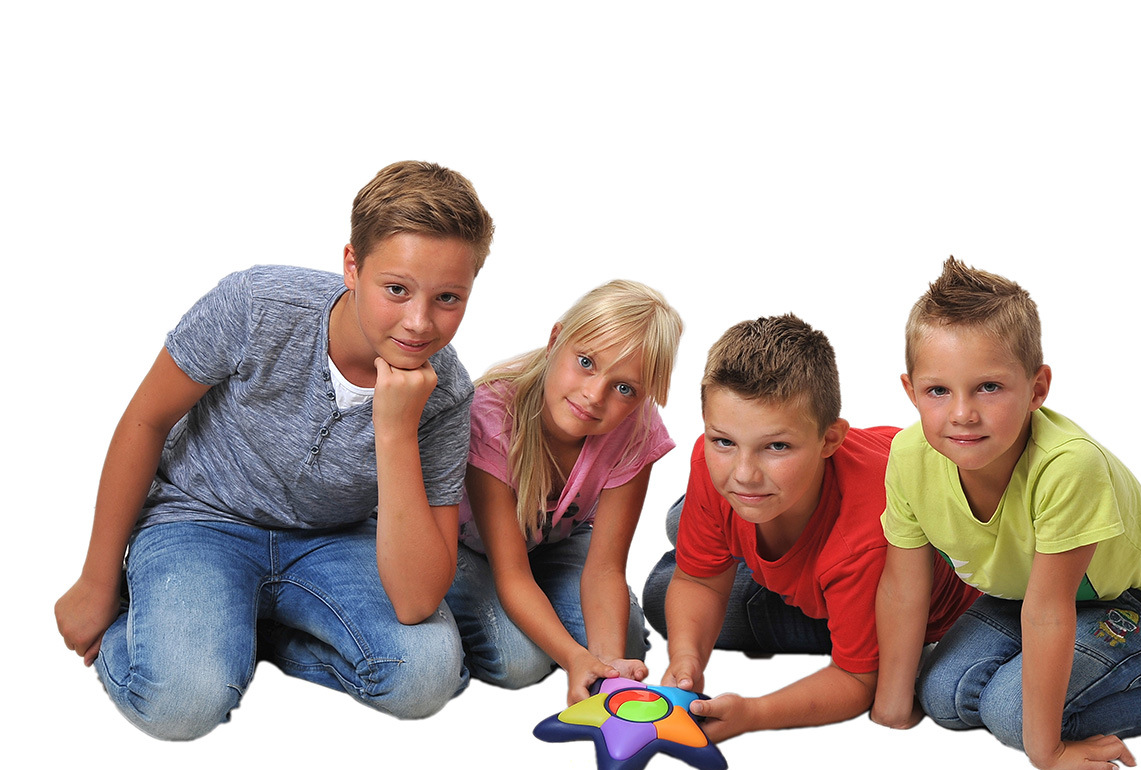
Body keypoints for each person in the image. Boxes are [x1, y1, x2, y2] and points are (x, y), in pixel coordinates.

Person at [54, 161, 494, 740]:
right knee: (180, 705)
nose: (419, 322)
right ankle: (170, 628)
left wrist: (394, 431)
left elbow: (415, 601)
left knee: (426, 676)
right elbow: (146, 420)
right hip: (200, 519)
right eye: (396, 289)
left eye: (448, 298)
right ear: (352, 266)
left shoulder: (446, 393)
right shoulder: (258, 305)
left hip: (334, 537)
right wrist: (96, 579)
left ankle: (252, 636)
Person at [872, 257, 1141, 770]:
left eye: (989, 387)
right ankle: (1049, 689)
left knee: (1014, 717)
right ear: (911, 392)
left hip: (1140, 602)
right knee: (940, 697)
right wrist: (891, 705)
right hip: (1022, 595)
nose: (962, 414)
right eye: (938, 391)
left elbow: (1049, 611)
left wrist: (1048, 751)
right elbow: (903, 588)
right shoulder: (909, 457)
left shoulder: (1068, 466)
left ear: (1037, 388)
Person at [643, 314, 979, 741]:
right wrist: (686, 659)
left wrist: (754, 713)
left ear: (829, 440)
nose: (744, 473)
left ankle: (732, 548)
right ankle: (721, 538)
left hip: (897, 604)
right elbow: (697, 582)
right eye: (723, 441)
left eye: (776, 446)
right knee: (669, 584)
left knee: (667, 582)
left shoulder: (867, 539)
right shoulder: (716, 465)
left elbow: (857, 681)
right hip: (804, 526)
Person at [447, 280, 683, 703]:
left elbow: (605, 568)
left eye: (625, 388)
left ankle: (554, 626)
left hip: (554, 543)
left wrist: (607, 667)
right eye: (586, 362)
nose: (594, 395)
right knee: (520, 663)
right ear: (556, 340)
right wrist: (574, 658)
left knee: (625, 645)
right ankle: (449, 635)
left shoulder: (636, 431)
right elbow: (512, 573)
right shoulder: (492, 416)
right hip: (469, 548)